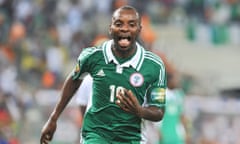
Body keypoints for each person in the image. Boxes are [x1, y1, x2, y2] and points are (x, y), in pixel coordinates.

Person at [40, 5, 167, 144]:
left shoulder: (154, 66)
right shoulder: (93, 56)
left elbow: (158, 112)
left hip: (132, 139)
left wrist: (139, 111)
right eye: (119, 24)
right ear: (110, 28)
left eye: (131, 24)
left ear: (139, 30)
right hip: (96, 135)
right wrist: (53, 118)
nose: (124, 28)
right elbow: (74, 80)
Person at [157, 72, 190, 144]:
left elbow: (182, 115)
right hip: (164, 132)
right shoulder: (160, 93)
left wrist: (186, 133)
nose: (177, 82)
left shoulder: (180, 94)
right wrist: (158, 131)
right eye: (175, 80)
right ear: (169, 81)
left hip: (177, 134)